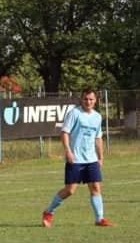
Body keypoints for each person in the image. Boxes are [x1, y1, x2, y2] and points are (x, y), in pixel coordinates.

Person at [42, 89, 115, 228]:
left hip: (91, 159)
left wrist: (100, 157)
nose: (88, 101)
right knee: (70, 190)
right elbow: (65, 133)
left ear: (95, 101)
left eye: (91, 99)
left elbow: (98, 138)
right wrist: (68, 151)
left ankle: (99, 219)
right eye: (86, 99)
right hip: (75, 159)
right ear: (81, 99)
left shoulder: (97, 117)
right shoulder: (74, 113)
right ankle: (48, 212)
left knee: (95, 187)